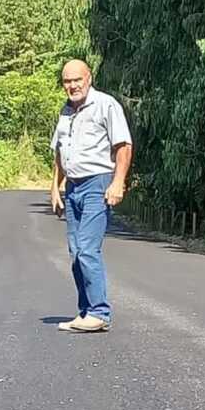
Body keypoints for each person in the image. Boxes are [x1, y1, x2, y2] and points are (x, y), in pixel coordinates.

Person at [50, 59, 133, 333]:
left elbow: (123, 145)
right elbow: (60, 152)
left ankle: (99, 312)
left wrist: (118, 182)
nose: (72, 85)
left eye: (77, 79)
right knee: (75, 253)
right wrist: (55, 187)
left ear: (89, 78)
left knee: (87, 248)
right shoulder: (65, 112)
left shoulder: (106, 105)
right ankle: (85, 311)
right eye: (67, 81)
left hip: (98, 184)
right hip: (72, 187)